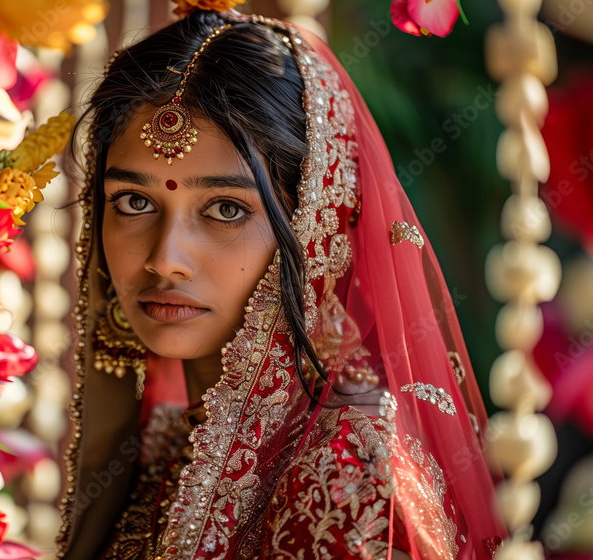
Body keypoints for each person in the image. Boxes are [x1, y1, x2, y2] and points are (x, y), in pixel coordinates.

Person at [55, 7, 508, 560]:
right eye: (134, 201)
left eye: (225, 208)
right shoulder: (167, 445)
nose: (164, 260)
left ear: (314, 221)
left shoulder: (348, 476)